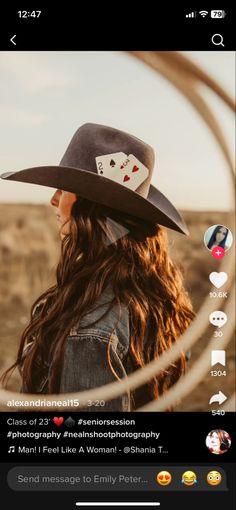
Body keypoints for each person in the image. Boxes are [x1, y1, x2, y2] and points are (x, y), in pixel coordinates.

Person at [0, 123, 194, 411]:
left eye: (64, 189)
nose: (53, 199)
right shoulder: (158, 294)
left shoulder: (88, 332)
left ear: (92, 206)